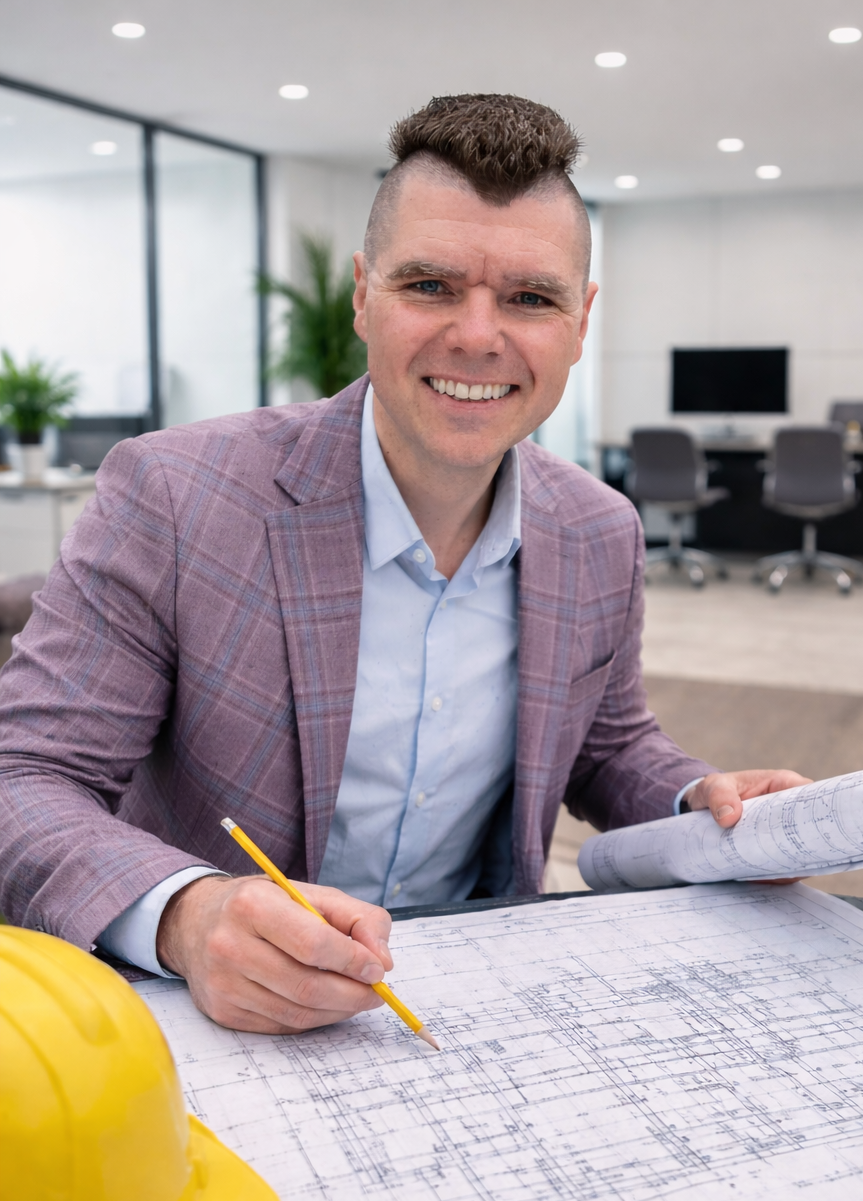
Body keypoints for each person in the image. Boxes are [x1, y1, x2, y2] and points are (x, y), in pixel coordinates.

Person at [0, 94, 808, 1036]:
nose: (476, 336)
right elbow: (24, 777)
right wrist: (184, 915)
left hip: (468, 995)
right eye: (429, 286)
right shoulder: (175, 494)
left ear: (580, 322)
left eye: (530, 298)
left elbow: (605, 743)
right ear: (362, 294)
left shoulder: (602, 529)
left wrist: (695, 795)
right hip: (206, 1013)